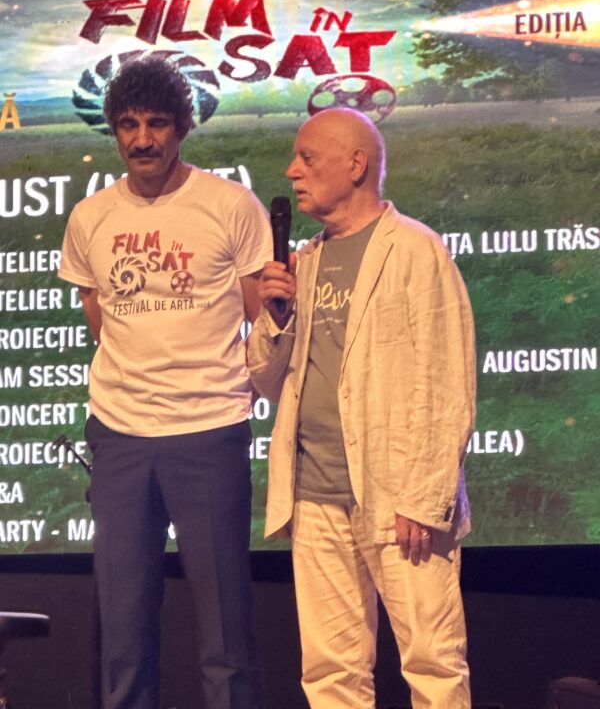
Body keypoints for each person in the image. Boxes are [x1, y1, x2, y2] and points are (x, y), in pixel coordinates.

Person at [59, 54, 271, 709]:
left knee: (225, 632)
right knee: (123, 630)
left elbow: (261, 316)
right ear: (114, 130)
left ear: (182, 126)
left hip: (209, 433)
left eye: (156, 123)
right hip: (120, 438)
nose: (142, 139)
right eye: (128, 124)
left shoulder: (229, 206)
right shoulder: (90, 217)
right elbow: (101, 317)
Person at [247, 107, 476, 709]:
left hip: (398, 495)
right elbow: (265, 379)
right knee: (330, 672)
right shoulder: (305, 261)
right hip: (315, 494)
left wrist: (425, 497)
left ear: (356, 165)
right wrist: (274, 317)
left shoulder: (417, 250)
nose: (292, 171)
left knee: (431, 662)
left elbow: (447, 380)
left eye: (307, 158)